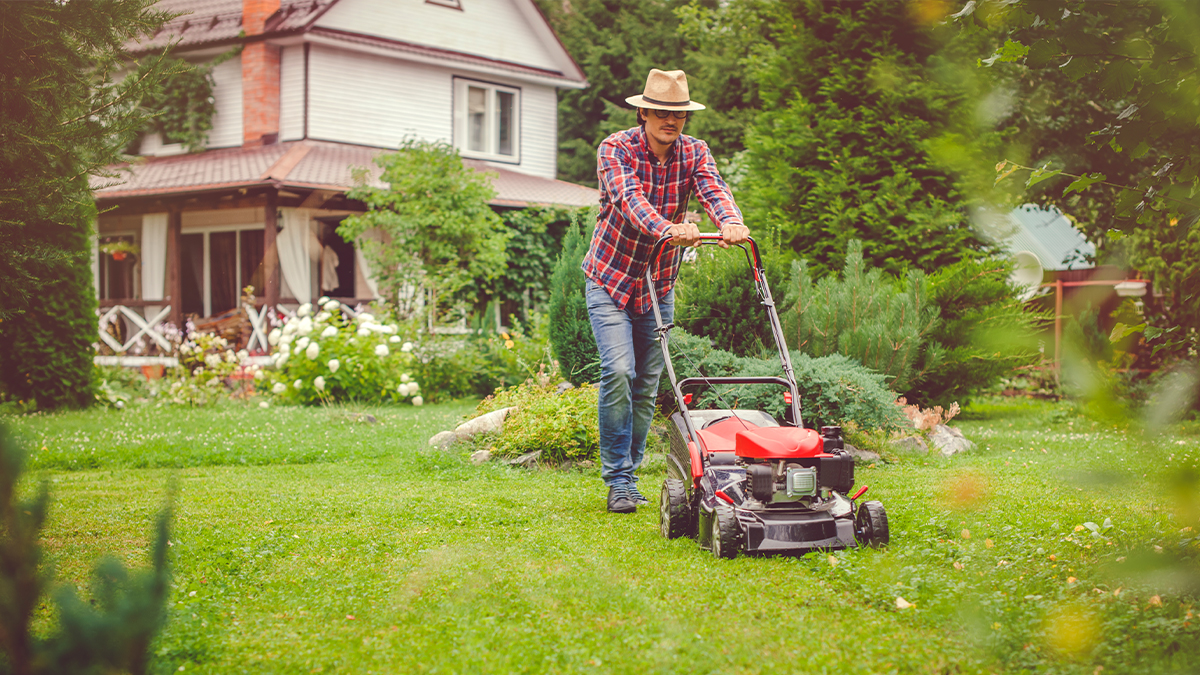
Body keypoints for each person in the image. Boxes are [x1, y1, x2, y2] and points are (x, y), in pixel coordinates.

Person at [581, 68, 749, 514]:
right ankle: (618, 480)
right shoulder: (615, 148)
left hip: (658, 283)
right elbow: (629, 199)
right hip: (610, 278)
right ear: (644, 113)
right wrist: (667, 228)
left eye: (678, 114)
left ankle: (629, 477)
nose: (670, 121)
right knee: (619, 372)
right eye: (661, 112)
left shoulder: (695, 152)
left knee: (646, 385)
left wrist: (729, 221)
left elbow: (713, 188)